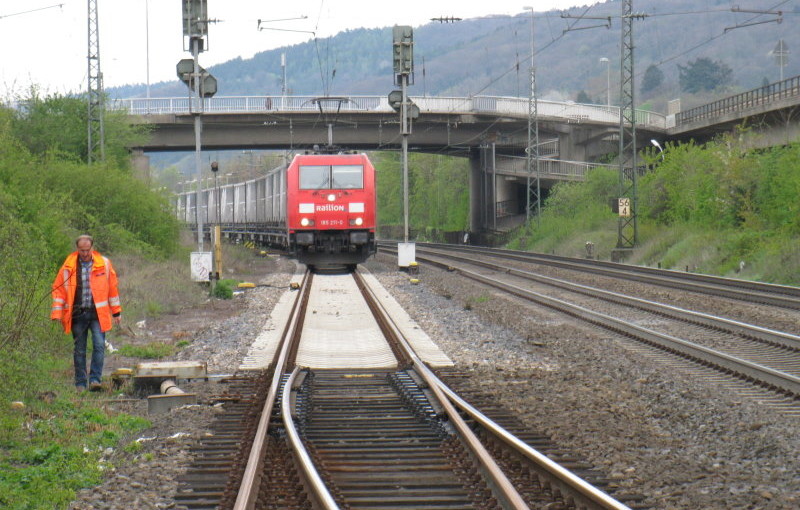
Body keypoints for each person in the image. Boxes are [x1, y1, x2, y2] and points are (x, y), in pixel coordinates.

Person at [51, 235, 122, 392]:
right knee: (80, 349)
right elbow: (59, 290)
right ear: (77, 249)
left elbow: (112, 288)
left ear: (92, 248)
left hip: (98, 315)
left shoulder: (104, 264)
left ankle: (95, 380)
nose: (84, 253)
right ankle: (81, 384)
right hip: (78, 314)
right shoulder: (68, 267)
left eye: (87, 250)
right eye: (81, 250)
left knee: (99, 346)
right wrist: (57, 314)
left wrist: (116, 312)